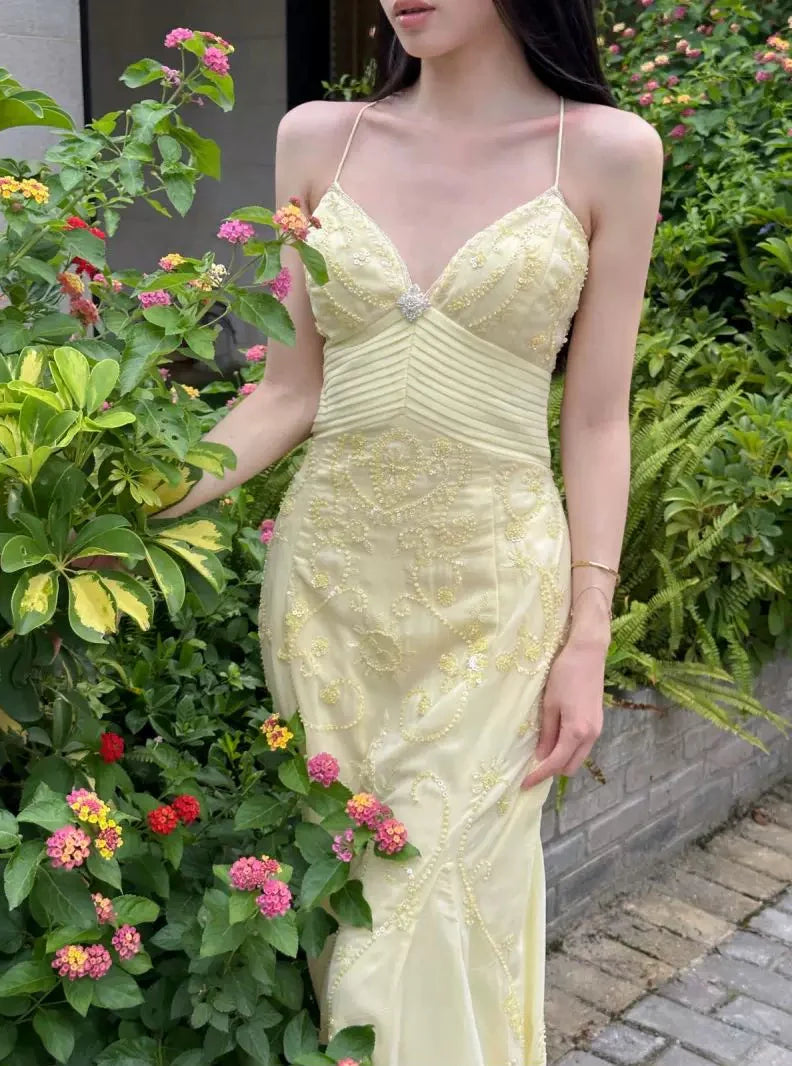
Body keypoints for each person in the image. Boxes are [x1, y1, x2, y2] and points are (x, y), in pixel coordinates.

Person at [160, 1, 663, 1061]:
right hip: (328, 598)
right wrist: (127, 500)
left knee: (435, 909)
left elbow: (595, 418)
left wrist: (588, 635)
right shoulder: (316, 139)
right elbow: (287, 391)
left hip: (495, 607)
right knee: (342, 914)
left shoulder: (607, 153)